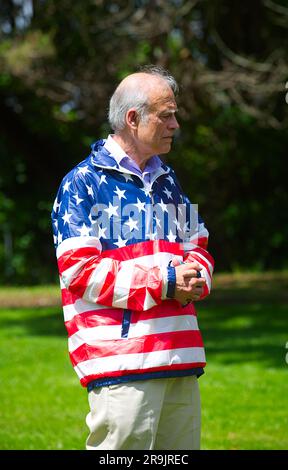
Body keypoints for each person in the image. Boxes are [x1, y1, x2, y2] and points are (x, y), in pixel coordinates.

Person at [51, 65, 214, 450]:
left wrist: (197, 277)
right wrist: (165, 281)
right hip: (120, 362)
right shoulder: (82, 183)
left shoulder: (168, 181)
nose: (175, 124)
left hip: (179, 356)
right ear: (132, 118)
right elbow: (79, 271)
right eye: (167, 114)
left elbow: (199, 247)